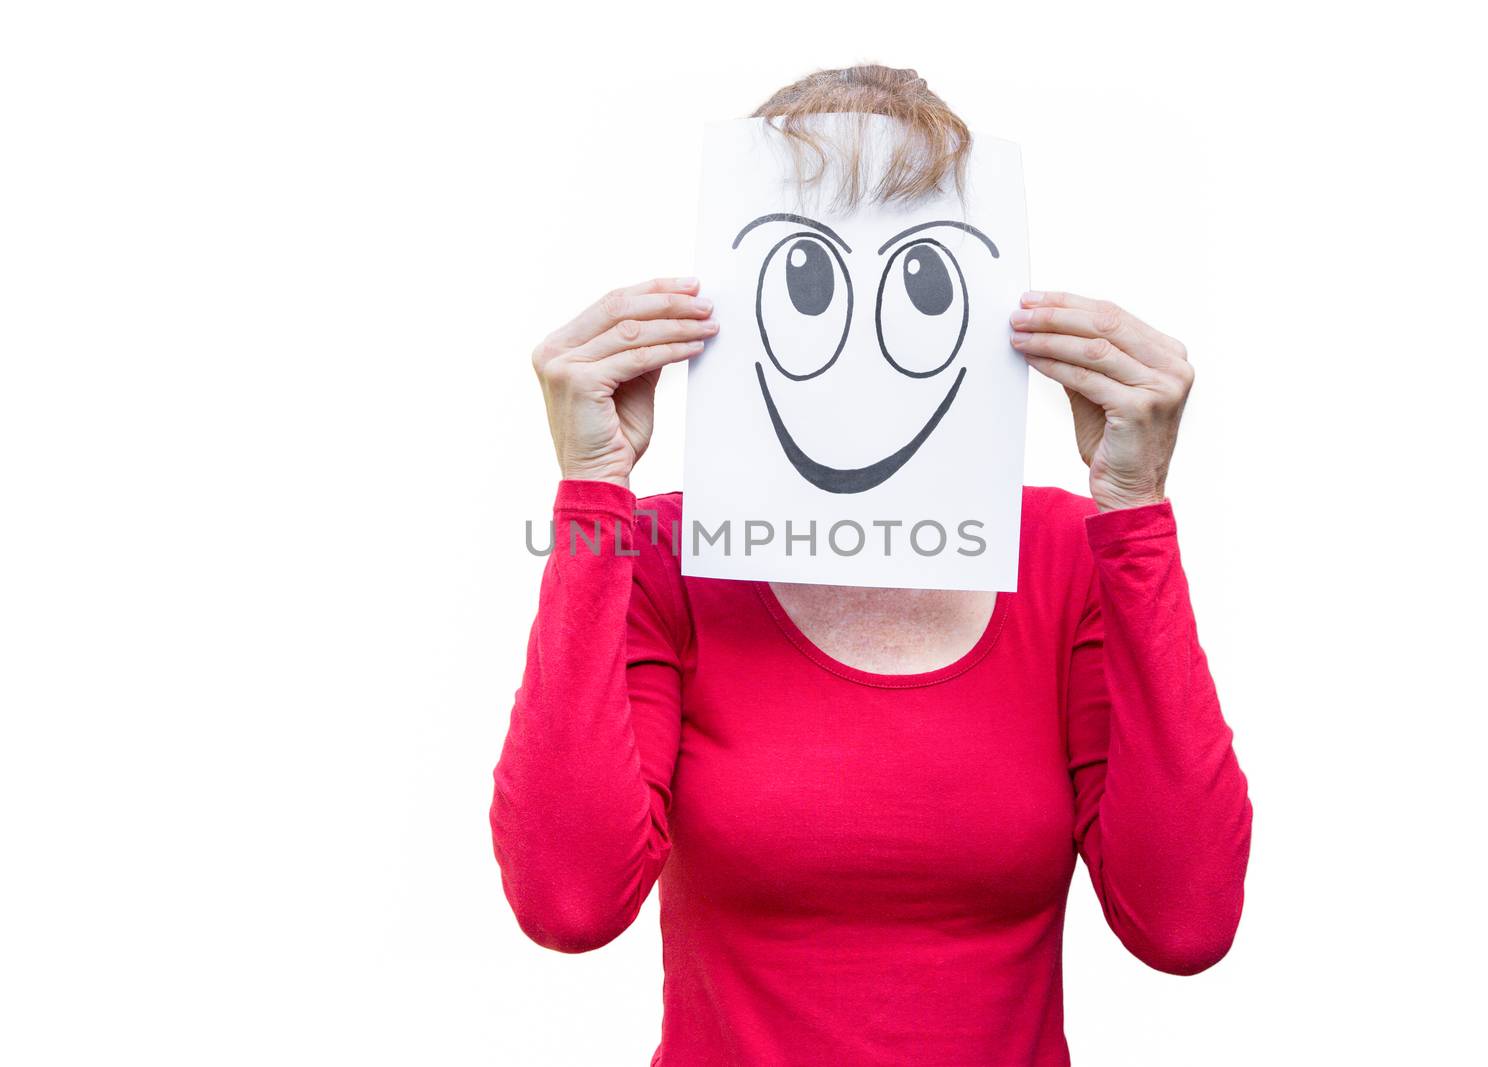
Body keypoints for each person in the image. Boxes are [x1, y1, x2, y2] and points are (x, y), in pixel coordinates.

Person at [490, 65, 1251, 1066]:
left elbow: (1183, 923)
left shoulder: (1069, 554)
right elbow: (569, 900)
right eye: (806, 271)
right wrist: (594, 491)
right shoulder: (665, 555)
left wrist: (1136, 511)